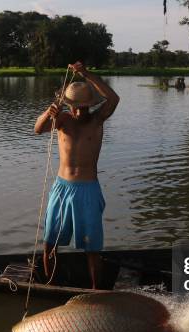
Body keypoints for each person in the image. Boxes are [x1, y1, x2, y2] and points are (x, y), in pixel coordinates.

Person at [34, 61, 120, 289]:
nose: (80, 110)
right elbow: (38, 129)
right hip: (62, 188)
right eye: (77, 106)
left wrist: (86, 73)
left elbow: (113, 99)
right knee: (49, 243)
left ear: (91, 105)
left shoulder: (97, 119)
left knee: (93, 249)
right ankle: (51, 287)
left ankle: (95, 293)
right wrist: (48, 112)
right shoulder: (62, 120)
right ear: (70, 106)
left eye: (85, 106)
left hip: (88, 190)